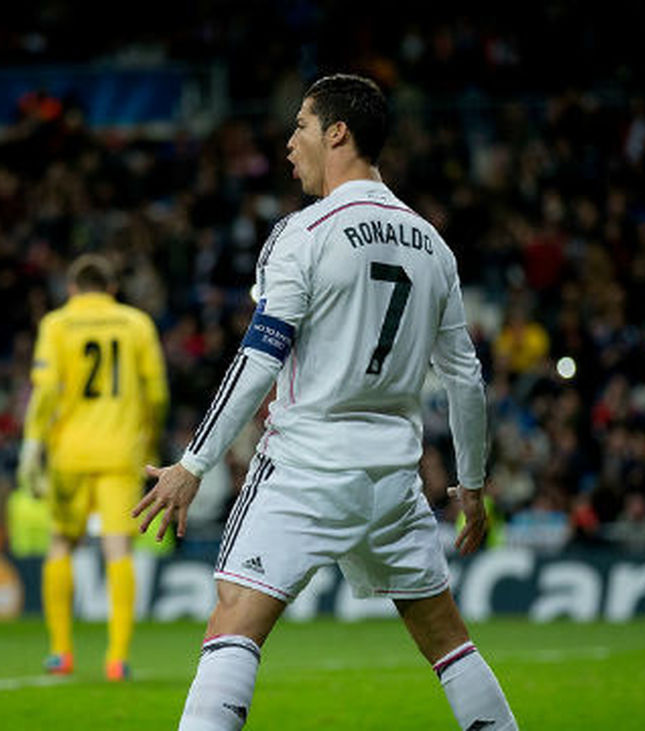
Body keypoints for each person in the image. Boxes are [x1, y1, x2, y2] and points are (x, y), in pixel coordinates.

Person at [134, 74, 517, 730]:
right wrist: (472, 485)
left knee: (234, 619)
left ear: (337, 132)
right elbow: (465, 379)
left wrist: (192, 464)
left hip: (307, 465)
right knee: (448, 640)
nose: (289, 145)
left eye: (301, 127)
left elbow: (259, 359)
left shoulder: (304, 233)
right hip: (392, 476)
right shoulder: (434, 245)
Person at [17, 254, 168, 681]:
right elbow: (156, 394)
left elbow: (45, 391)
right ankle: (117, 658)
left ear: (71, 288)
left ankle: (60, 652)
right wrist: (150, 438)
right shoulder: (137, 324)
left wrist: (32, 444)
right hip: (122, 451)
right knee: (118, 548)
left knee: (62, 544)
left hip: (70, 452)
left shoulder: (57, 324)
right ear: (113, 289)